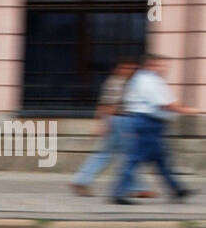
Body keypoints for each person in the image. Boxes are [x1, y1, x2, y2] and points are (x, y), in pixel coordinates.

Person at [111, 55, 198, 204]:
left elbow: (168, 101)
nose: (164, 68)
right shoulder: (147, 80)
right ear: (150, 65)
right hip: (147, 124)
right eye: (160, 65)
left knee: (161, 161)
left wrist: (179, 108)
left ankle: (177, 190)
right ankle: (118, 193)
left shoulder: (151, 79)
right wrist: (187, 110)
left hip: (152, 124)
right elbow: (164, 103)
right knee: (135, 159)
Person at [71, 59, 149, 197]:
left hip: (117, 121)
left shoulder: (118, 82)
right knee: (128, 154)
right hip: (120, 121)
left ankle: (81, 180)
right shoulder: (117, 83)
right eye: (127, 67)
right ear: (119, 68)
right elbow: (108, 106)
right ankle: (135, 188)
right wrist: (103, 124)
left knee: (106, 154)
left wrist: (102, 123)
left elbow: (103, 104)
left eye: (132, 68)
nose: (130, 71)